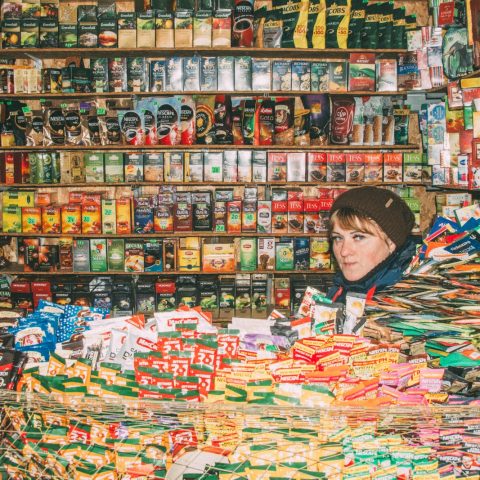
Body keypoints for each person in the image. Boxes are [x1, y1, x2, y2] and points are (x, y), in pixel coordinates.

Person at [327, 186, 417, 302]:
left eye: (358, 237)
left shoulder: (408, 306)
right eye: (338, 238)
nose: (344, 251)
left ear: (391, 242)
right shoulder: (339, 292)